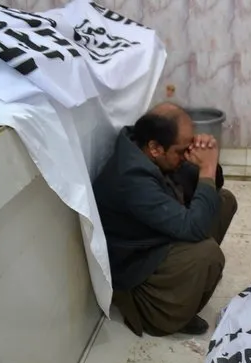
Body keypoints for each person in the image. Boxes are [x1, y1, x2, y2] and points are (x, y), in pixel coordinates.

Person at [93, 102, 237, 336]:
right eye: (182, 150)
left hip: (154, 239)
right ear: (155, 148)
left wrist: (204, 163)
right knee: (207, 253)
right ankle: (163, 316)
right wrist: (207, 169)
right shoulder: (132, 178)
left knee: (223, 201)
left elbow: (204, 186)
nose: (185, 155)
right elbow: (194, 228)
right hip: (137, 271)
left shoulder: (149, 151)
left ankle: (186, 286)